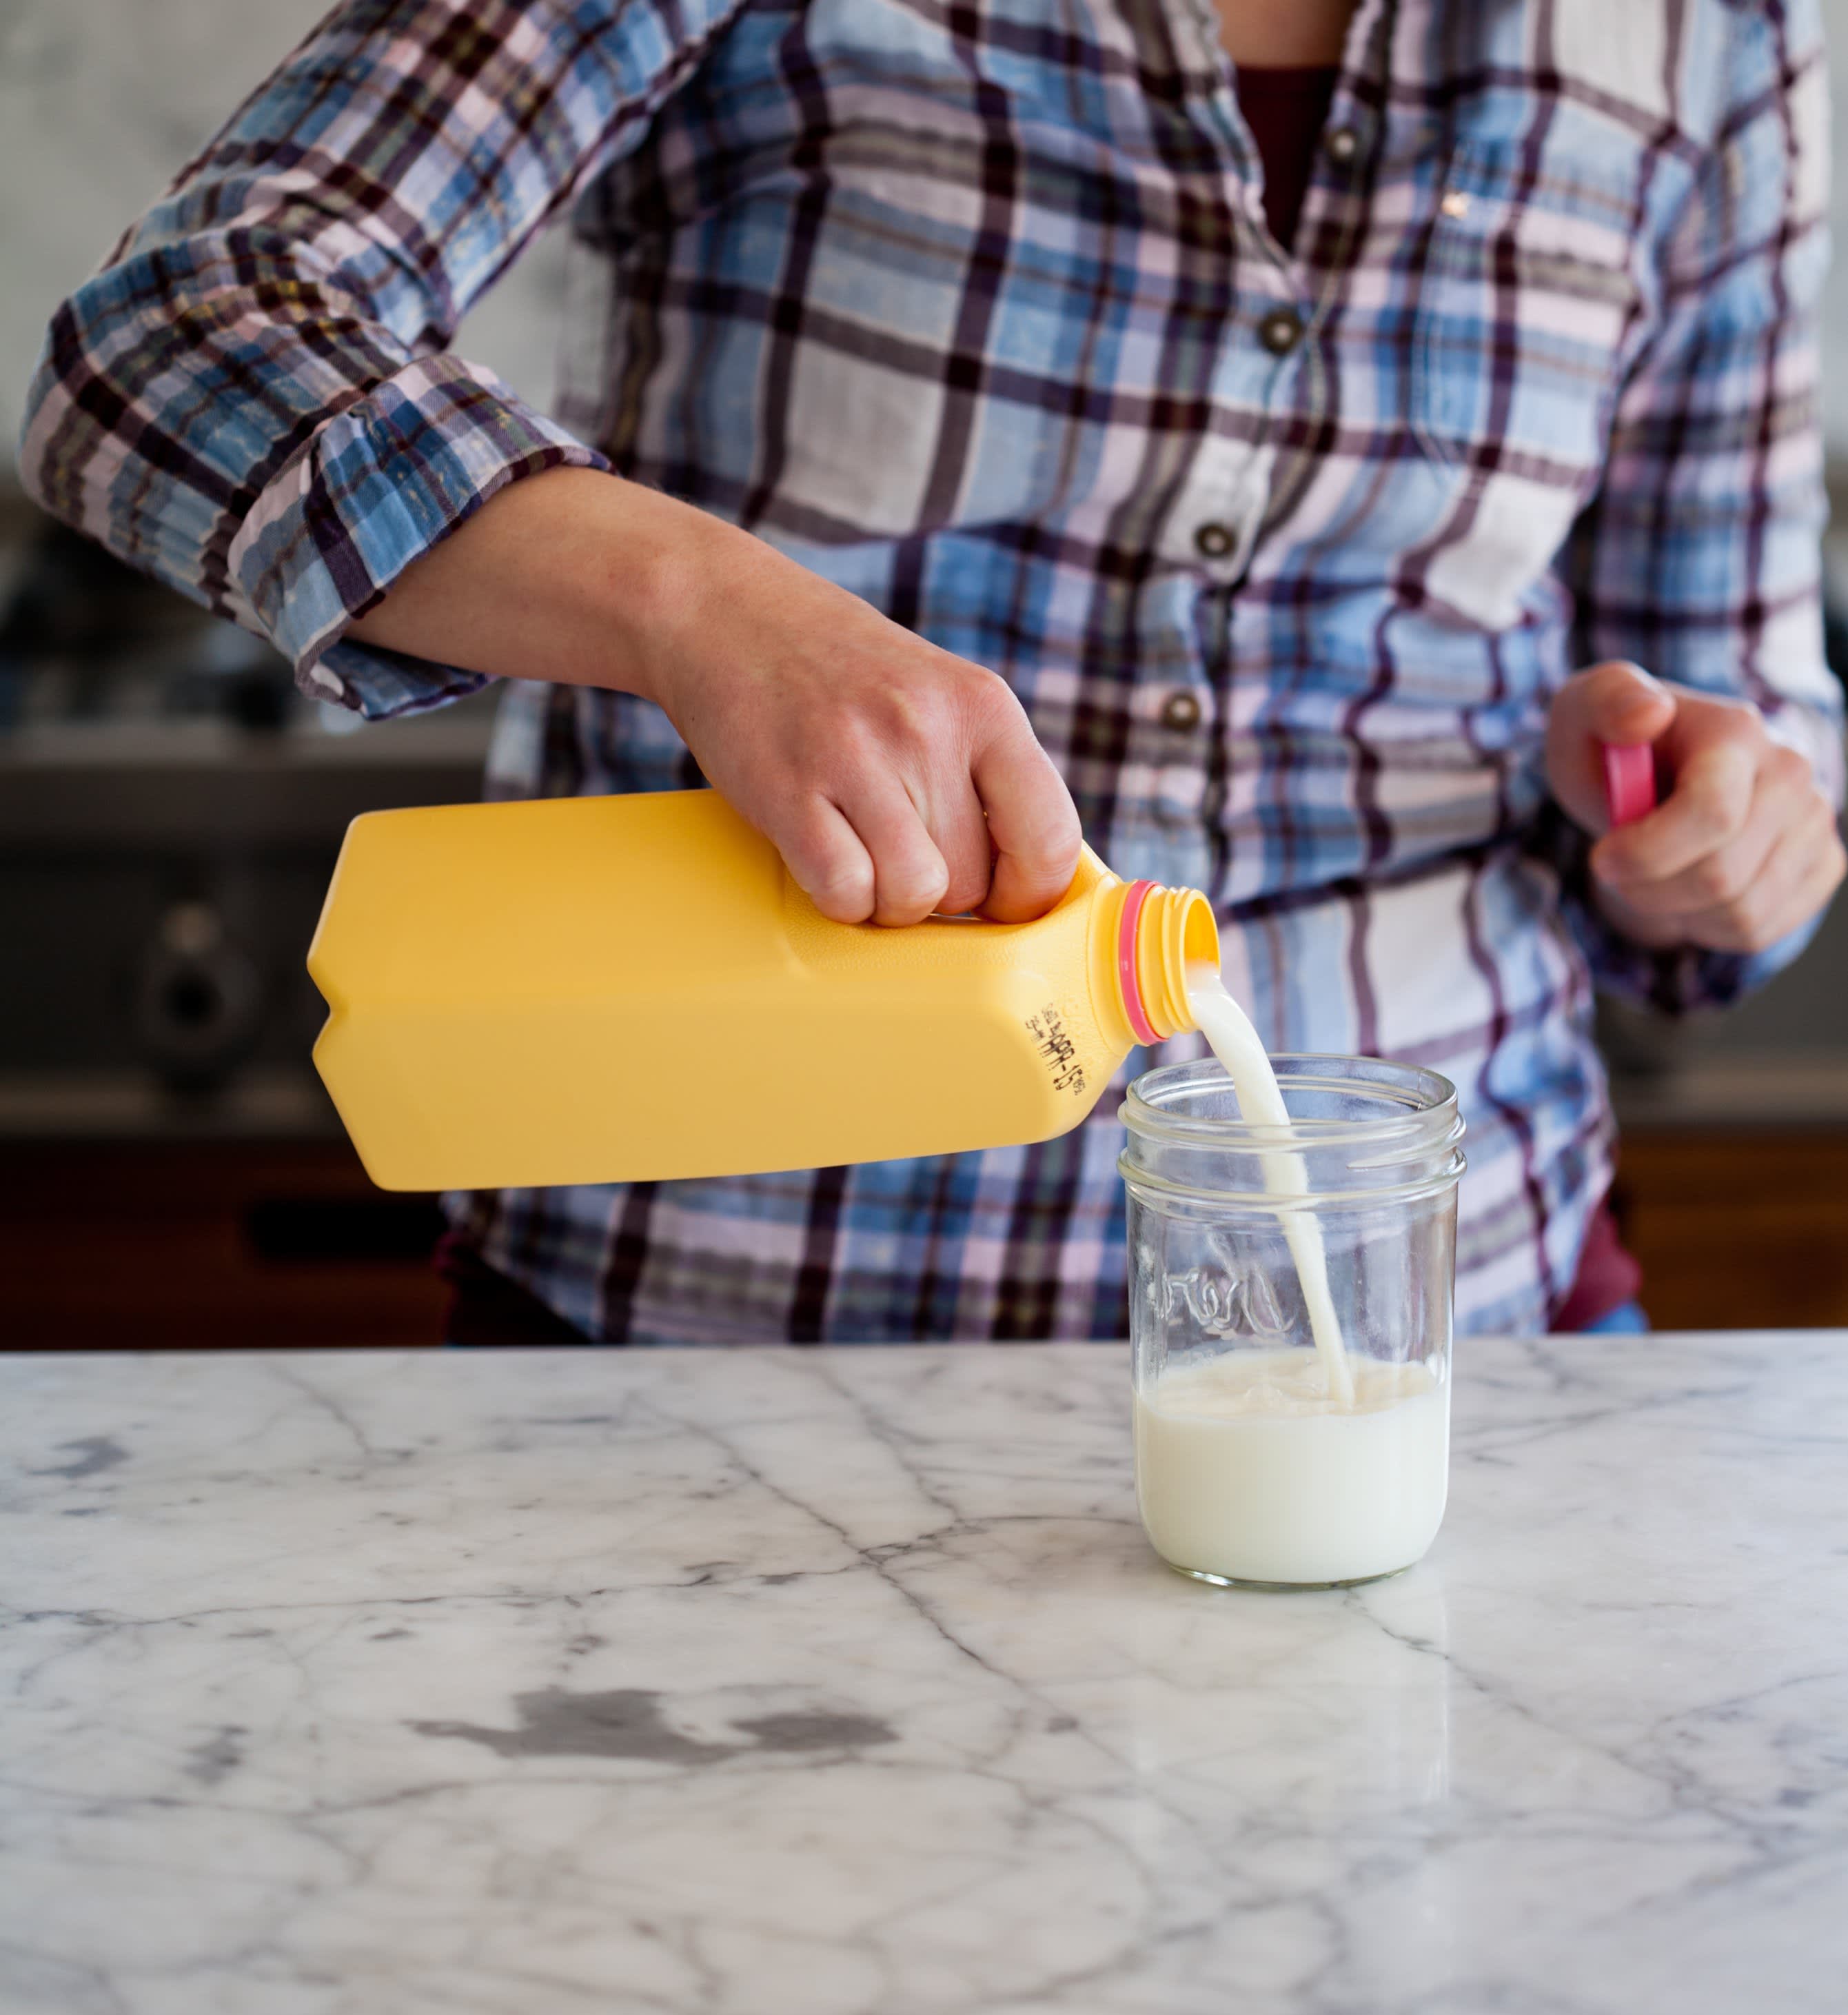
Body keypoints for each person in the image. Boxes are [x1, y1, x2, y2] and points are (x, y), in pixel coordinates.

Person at [21, 0, 1845, 1345]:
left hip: (1447, 1321)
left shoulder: (1706, 43)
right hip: (736, 1350)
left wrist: (1722, 826)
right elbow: (170, 342)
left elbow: (1738, 751)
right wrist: (706, 607)